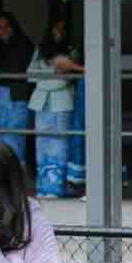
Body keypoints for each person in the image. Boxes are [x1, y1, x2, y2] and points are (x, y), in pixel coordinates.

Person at [31, 12, 82, 199]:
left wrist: (46, 77)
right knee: (42, 143)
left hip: (62, 101)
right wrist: (53, 74)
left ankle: (57, 187)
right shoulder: (40, 49)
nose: (58, 33)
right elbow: (30, 74)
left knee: (60, 143)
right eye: (55, 29)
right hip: (41, 101)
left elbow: (67, 79)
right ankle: (43, 187)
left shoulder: (71, 50)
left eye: (62, 29)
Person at [0, 11, 37, 170]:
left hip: (17, 96)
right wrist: (2, 73)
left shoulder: (24, 44)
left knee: (15, 137)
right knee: (0, 135)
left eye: (7, 27)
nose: (3, 31)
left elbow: (17, 69)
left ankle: (15, 178)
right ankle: (3, 177)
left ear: (14, 27)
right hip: (0, 96)